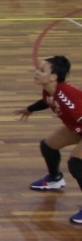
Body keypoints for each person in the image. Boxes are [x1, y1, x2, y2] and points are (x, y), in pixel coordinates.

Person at [21, 57, 82, 224]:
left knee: (76, 163)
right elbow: (47, 102)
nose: (36, 72)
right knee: (48, 146)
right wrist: (30, 109)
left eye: (42, 70)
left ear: (54, 77)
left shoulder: (67, 96)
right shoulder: (50, 90)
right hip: (77, 126)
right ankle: (55, 179)